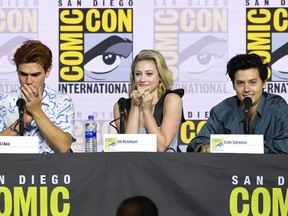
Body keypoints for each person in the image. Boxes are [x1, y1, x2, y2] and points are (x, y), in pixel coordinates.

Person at [187, 53, 288, 154]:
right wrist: (203, 146)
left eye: (252, 82)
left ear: (264, 83)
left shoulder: (278, 107)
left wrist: (248, 147)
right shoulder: (223, 109)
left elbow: (286, 144)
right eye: (240, 83)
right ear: (233, 85)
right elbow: (197, 142)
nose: (247, 89)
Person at [0, 39, 75, 153]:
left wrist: (36, 111)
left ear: (48, 71)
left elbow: (63, 147)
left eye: (35, 75)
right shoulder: (4, 101)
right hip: (12, 169)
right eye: (23, 74)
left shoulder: (62, 101)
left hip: (52, 169)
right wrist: (21, 122)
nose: (29, 81)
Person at [113, 49, 185, 152]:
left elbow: (161, 147)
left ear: (160, 76)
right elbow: (128, 148)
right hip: (133, 166)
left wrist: (147, 111)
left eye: (149, 74)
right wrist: (135, 106)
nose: (142, 79)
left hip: (165, 165)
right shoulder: (121, 107)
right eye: (138, 74)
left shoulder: (172, 100)